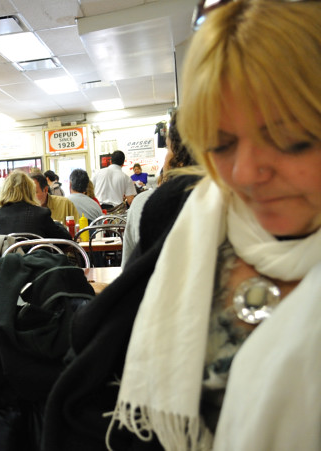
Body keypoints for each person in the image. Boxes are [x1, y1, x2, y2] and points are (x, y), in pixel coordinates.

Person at [42, 1, 321, 450]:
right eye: (222, 143)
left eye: (288, 138)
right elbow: (94, 370)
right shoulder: (181, 209)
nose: (246, 174)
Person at [122, 110, 197, 267]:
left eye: (168, 148)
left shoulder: (145, 204)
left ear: (179, 159)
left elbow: (128, 269)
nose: (165, 157)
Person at [0, 170, 71, 240]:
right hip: (35, 258)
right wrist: (57, 224)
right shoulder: (41, 213)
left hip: (5, 258)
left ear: (4, 190)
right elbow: (65, 239)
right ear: (30, 190)